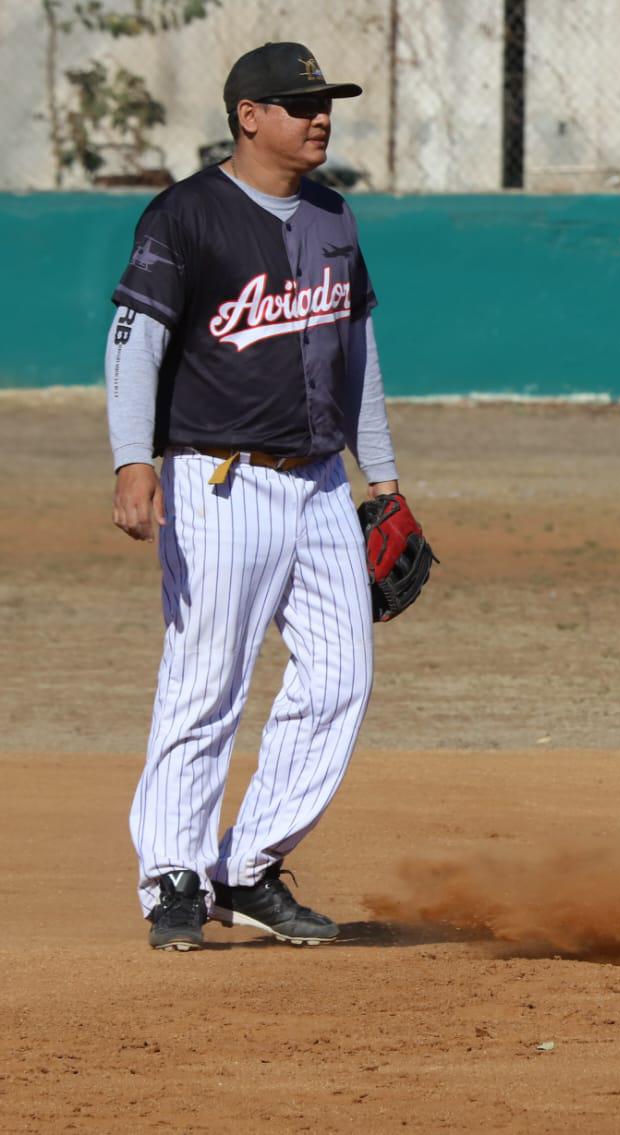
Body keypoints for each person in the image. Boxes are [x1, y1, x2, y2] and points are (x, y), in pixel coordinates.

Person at [106, 42, 400, 951]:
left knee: (342, 674)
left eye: (325, 103)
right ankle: (174, 877)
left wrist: (381, 478)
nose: (320, 117)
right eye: (299, 103)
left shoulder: (334, 218)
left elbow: (360, 358)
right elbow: (135, 342)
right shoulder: (185, 215)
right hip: (217, 476)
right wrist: (132, 459)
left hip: (316, 484)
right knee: (206, 685)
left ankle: (247, 865)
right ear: (248, 115)